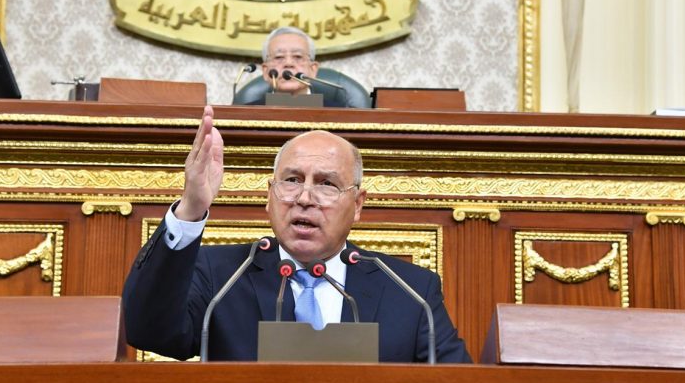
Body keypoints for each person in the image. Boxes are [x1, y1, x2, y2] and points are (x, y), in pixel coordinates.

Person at [122, 106, 472, 363]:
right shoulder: (222, 275)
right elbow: (148, 331)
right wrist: (191, 207)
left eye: (326, 184)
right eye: (292, 181)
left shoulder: (410, 291)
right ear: (269, 196)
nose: (304, 198)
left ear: (357, 204)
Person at [245, 26, 350, 107]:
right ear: (265, 71)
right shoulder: (246, 116)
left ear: (313, 69)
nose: (288, 63)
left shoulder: (340, 114)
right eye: (279, 57)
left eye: (298, 57)